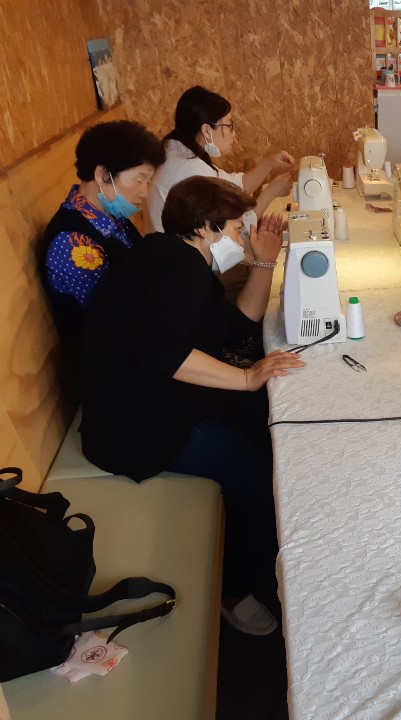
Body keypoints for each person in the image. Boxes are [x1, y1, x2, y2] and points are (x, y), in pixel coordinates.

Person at [81, 176, 305, 634]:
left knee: (266, 424)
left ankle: (269, 556)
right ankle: (234, 589)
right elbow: (162, 354)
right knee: (259, 475)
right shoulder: (176, 271)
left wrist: (265, 258)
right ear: (205, 226)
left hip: (154, 401)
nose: (242, 237)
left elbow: (237, 328)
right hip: (138, 430)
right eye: (237, 229)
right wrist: (246, 378)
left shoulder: (175, 256)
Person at [38, 120, 165, 349]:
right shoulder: (71, 243)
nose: (145, 193)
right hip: (117, 357)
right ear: (103, 174)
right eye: (139, 180)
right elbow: (116, 321)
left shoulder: (110, 216)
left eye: (148, 182)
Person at [147, 85, 296, 232]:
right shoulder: (190, 168)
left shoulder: (177, 149)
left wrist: (269, 164)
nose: (233, 134)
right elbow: (230, 230)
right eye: (229, 125)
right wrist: (271, 193)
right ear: (207, 130)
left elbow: (231, 187)